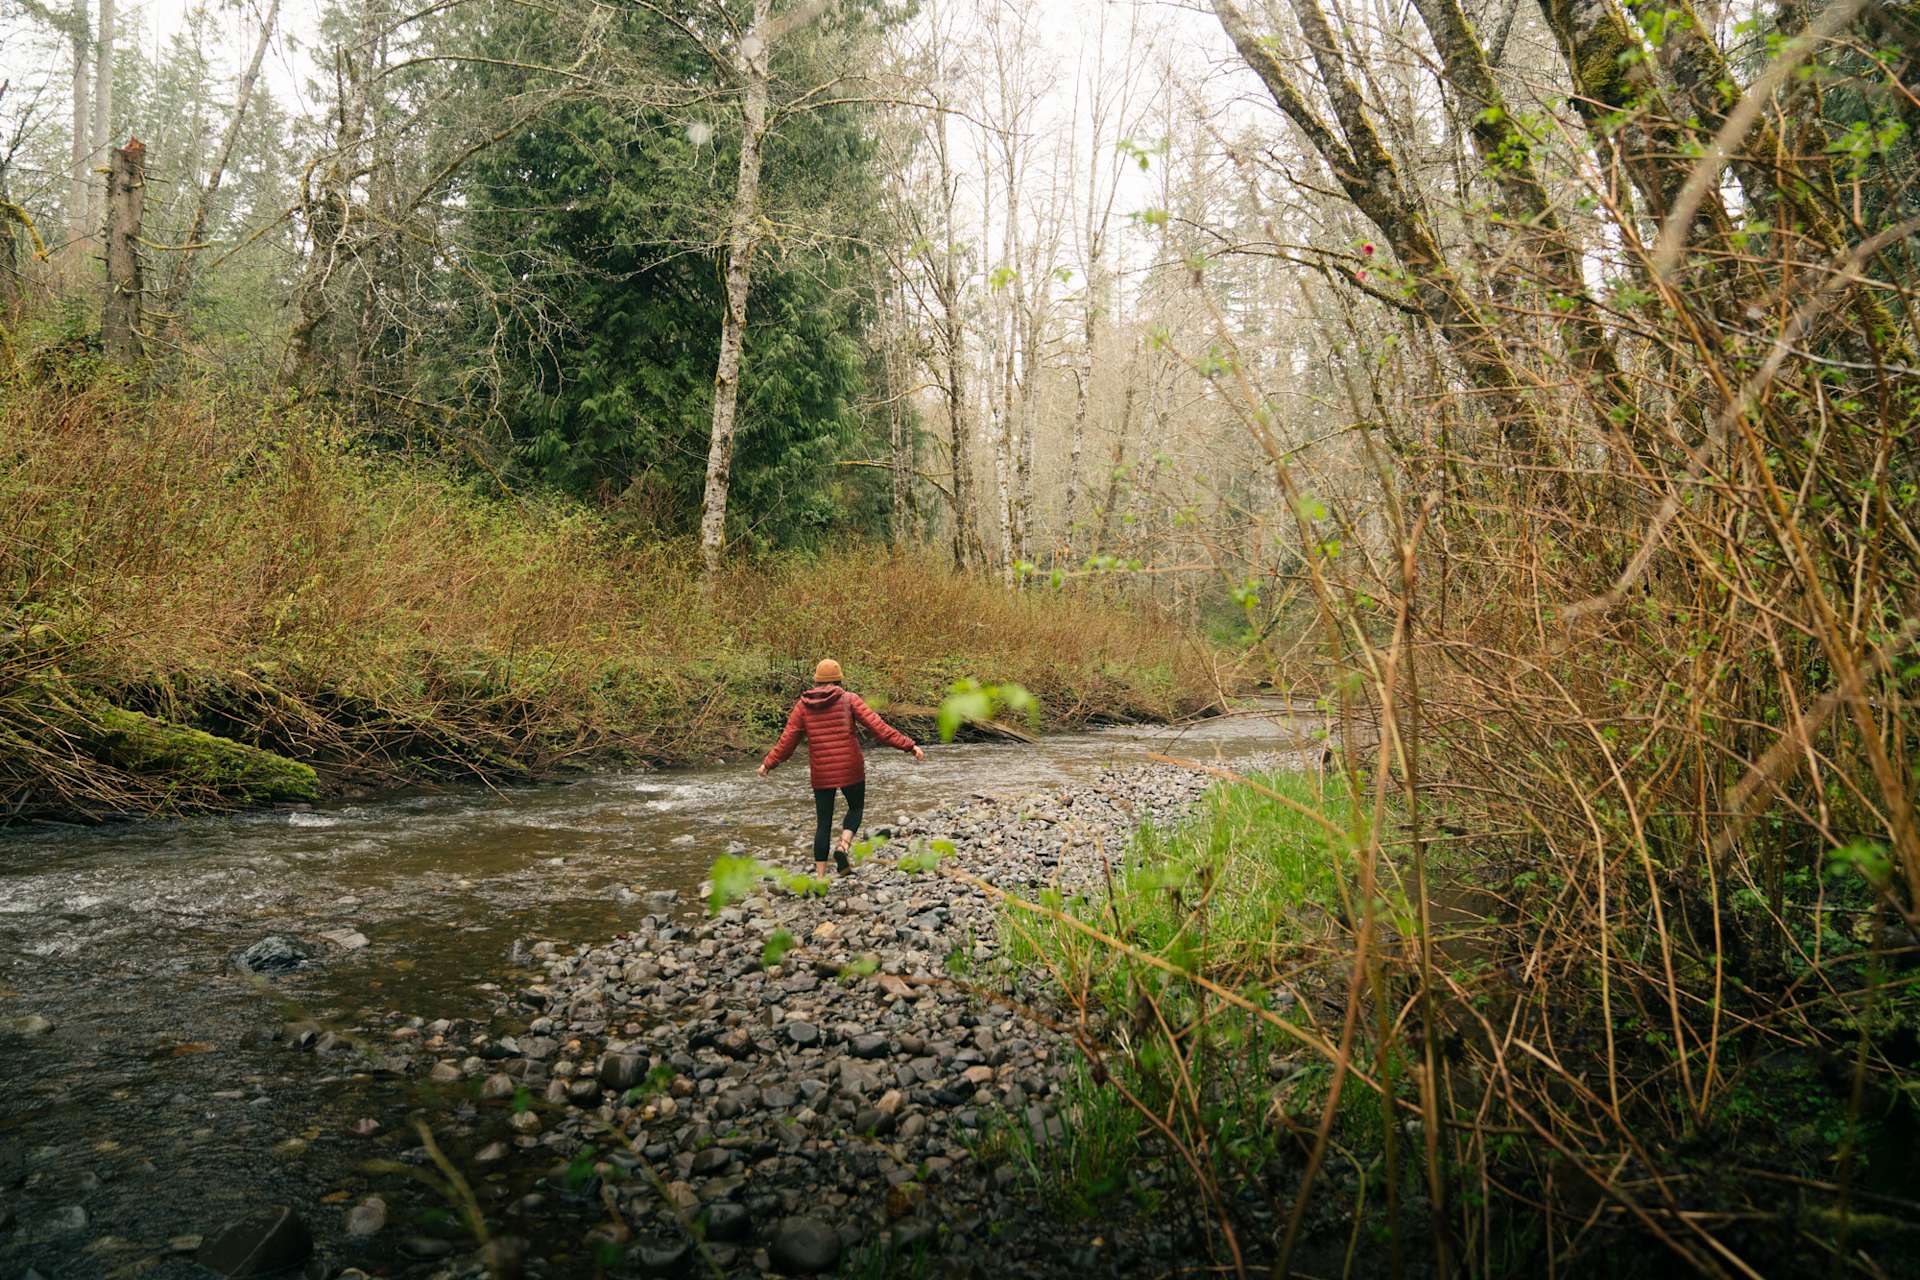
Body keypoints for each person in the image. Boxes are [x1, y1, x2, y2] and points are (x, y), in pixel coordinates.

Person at [758, 659, 924, 877]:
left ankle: (819, 878)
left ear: (816, 680)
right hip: (850, 767)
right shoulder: (849, 699)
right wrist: (909, 745)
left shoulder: (803, 706)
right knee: (855, 809)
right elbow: (878, 728)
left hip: (821, 772)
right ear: (839, 679)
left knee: (823, 822)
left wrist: (768, 763)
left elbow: (788, 740)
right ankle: (843, 846)